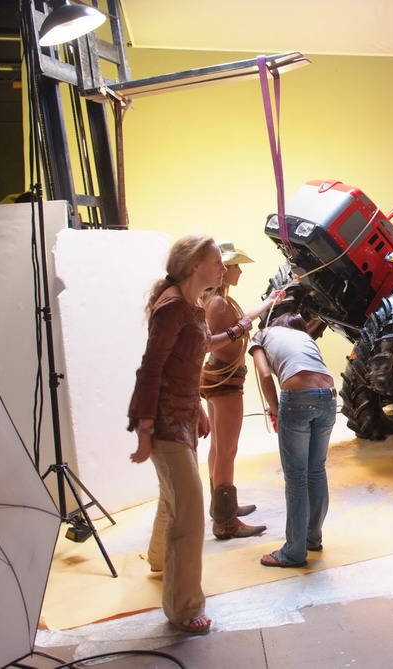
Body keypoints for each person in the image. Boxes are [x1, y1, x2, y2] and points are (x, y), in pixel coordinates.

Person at [127, 235, 283, 635]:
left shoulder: (192, 305)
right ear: (195, 264)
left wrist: (196, 408)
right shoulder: (173, 307)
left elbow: (192, 356)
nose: (224, 268)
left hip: (181, 416)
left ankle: (160, 562)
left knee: (173, 499)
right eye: (217, 261)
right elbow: (151, 369)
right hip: (165, 422)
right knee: (190, 516)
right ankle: (183, 608)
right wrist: (144, 427)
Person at [250, 312, 336, 568]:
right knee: (316, 470)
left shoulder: (261, 335)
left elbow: (265, 375)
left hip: (298, 398)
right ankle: (312, 538)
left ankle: (294, 552)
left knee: (296, 476)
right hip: (329, 395)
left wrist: (275, 410)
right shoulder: (304, 337)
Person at [201, 241, 265, 540]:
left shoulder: (219, 301)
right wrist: (239, 330)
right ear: (224, 270)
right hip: (225, 383)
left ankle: (222, 506)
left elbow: (241, 321)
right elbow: (213, 343)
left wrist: (267, 303)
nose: (240, 270)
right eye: (236, 265)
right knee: (227, 449)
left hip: (220, 380)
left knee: (220, 446)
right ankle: (225, 521)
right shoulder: (218, 303)